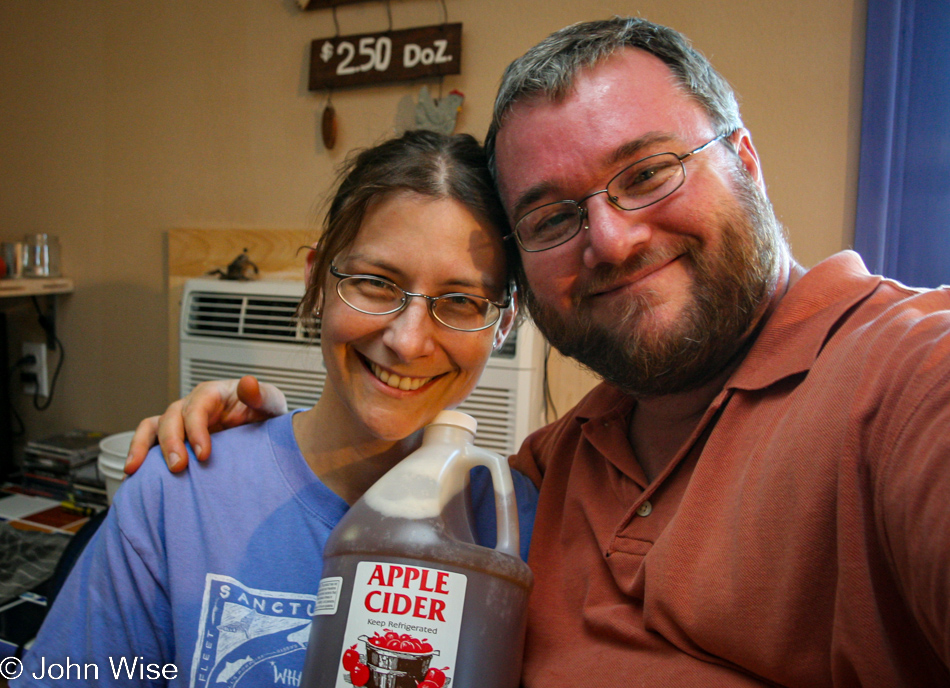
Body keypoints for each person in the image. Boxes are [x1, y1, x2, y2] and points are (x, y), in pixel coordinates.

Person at [128, 17, 950, 687]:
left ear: (744, 161)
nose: (612, 239)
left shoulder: (903, 381)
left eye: (649, 172)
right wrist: (268, 447)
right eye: (552, 218)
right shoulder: (540, 482)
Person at [14, 130, 537, 687]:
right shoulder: (183, 494)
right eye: (375, 283)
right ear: (315, 281)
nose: (408, 342)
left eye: (460, 301)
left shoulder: (519, 527)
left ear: (501, 324)